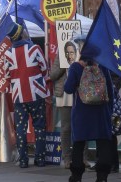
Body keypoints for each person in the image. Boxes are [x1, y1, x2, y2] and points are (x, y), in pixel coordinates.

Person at [64, 44, 115, 182]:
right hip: (101, 112)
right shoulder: (102, 67)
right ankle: (102, 177)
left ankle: (76, 176)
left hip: (82, 113)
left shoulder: (76, 67)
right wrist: (109, 110)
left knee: (78, 144)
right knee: (103, 142)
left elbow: (68, 89)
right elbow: (110, 90)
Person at [5, 23, 49, 168]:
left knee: (21, 128)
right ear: (23, 34)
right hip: (36, 92)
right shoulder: (34, 48)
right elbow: (44, 69)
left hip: (18, 95)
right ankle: (40, 158)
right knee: (39, 127)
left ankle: (23, 160)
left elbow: (7, 75)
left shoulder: (8, 53)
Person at [50, 40, 77, 168]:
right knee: (66, 128)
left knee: (81, 127)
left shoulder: (79, 55)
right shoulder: (60, 56)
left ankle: (82, 158)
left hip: (78, 94)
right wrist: (63, 64)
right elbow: (53, 75)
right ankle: (67, 158)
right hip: (64, 95)